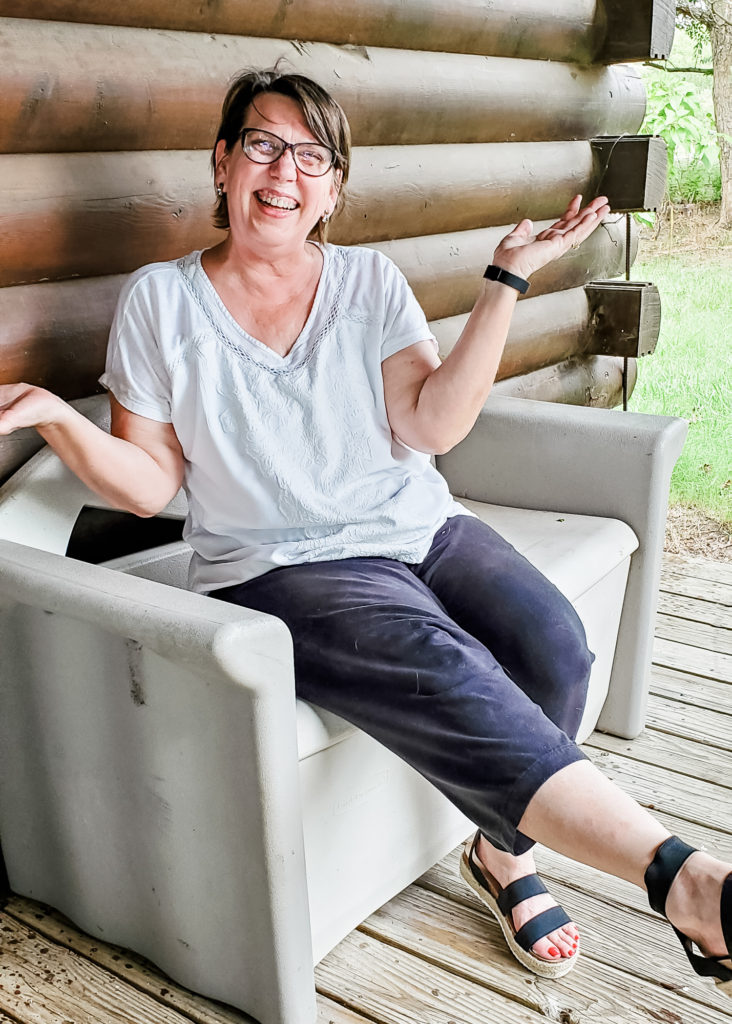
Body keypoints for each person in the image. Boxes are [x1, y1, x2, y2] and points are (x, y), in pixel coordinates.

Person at [0, 67, 729, 990]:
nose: (284, 172)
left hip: (416, 525)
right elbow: (151, 486)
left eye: (312, 156)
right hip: (279, 565)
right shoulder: (160, 301)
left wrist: (505, 282)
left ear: (333, 188)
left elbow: (429, 427)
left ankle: (496, 849)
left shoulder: (367, 281)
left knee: (556, 646)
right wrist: (57, 420)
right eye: (263, 145)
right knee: (442, 659)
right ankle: (685, 882)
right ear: (222, 163)